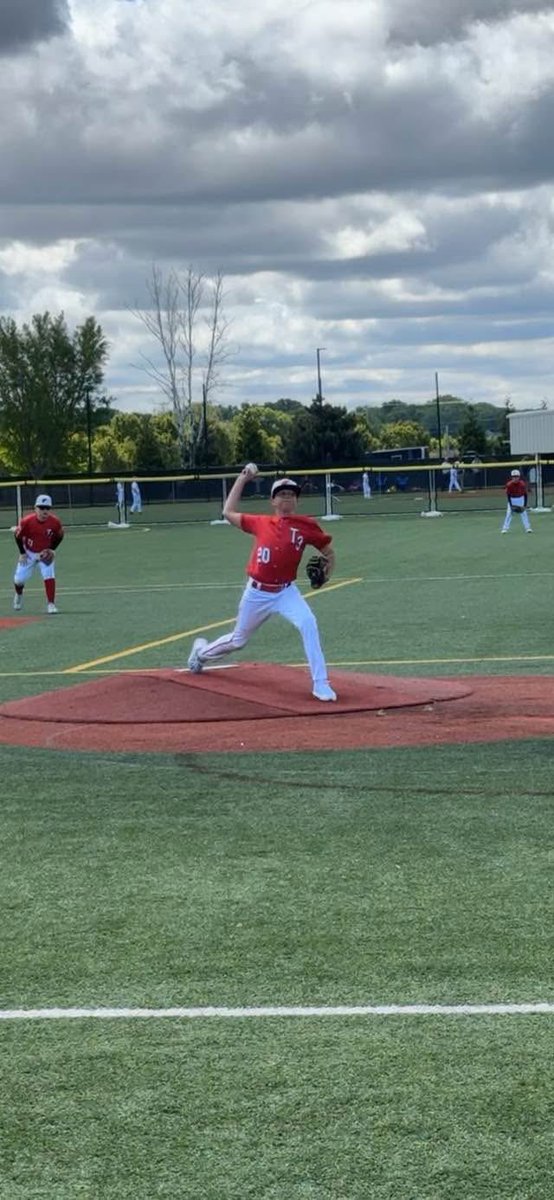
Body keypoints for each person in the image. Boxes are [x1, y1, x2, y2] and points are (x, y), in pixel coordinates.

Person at [187, 467, 337, 701]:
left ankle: (321, 683)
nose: (287, 496)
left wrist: (327, 573)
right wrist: (242, 479)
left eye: (291, 494)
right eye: (282, 493)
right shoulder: (260, 523)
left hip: (287, 591)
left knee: (308, 622)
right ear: (273, 500)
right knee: (238, 640)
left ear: (297, 500)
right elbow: (227, 512)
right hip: (257, 593)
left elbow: (329, 552)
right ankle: (201, 653)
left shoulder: (306, 525)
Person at [13, 494, 64, 614]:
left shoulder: (55, 522)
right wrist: (22, 553)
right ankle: (19, 594)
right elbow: (17, 536)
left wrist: (51, 549)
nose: (44, 511)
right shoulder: (26, 521)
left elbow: (60, 535)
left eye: (47, 508)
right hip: (29, 552)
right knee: (19, 580)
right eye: (41, 508)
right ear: (35, 508)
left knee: (49, 575)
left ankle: (51, 604)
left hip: (45, 553)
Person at [501, 469, 532, 534]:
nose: (515, 478)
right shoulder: (509, 485)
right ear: (512, 477)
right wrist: (511, 505)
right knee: (509, 513)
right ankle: (505, 528)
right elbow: (508, 496)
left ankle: (527, 528)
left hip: (521, 499)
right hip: (512, 499)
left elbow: (525, 495)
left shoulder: (522, 484)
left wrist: (525, 505)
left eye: (516, 476)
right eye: (514, 476)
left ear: (519, 477)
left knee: (523, 513)